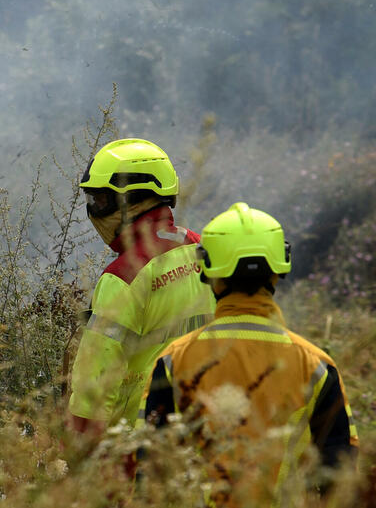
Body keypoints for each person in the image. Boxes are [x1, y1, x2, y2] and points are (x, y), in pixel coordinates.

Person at [140, 202, 358, 506]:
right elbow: (339, 474)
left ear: (208, 272)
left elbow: (150, 469)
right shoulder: (317, 365)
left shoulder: (174, 360)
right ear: (279, 269)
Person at [69, 138, 216, 435]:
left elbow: (94, 385)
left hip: (139, 444)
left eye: (101, 201)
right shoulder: (203, 247)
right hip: (207, 425)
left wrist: (77, 451)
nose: (94, 211)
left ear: (133, 199)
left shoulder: (122, 276)